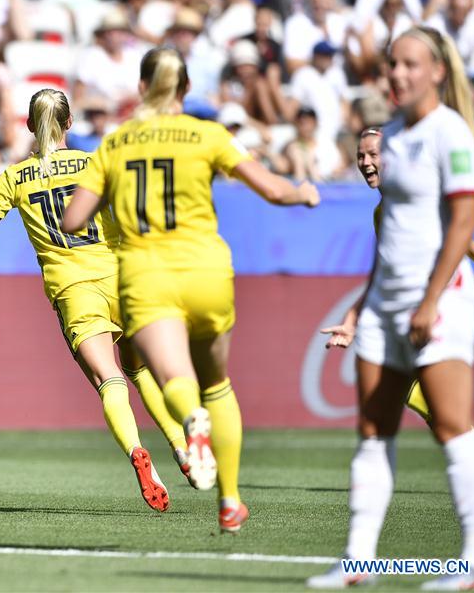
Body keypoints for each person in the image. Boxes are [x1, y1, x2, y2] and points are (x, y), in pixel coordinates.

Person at [0, 89, 198, 513]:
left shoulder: (16, 177)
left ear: (28, 126)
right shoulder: (96, 163)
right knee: (140, 366)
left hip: (73, 290)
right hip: (121, 278)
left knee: (108, 379)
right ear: (70, 123)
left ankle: (136, 452)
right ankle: (182, 447)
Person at [61, 48, 320, 532]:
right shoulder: (209, 134)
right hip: (207, 270)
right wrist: (303, 192)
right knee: (217, 382)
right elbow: (274, 190)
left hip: (146, 275)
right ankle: (230, 500)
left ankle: (190, 423)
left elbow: (74, 219)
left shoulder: (115, 143)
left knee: (173, 378)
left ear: (141, 88)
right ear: (184, 90)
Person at [307, 27, 474, 590]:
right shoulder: (392, 137)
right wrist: (359, 313)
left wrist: (431, 299)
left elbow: (464, 223)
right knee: (372, 429)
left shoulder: (451, 134)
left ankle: (470, 565)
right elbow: (388, 255)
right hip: (389, 305)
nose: (399, 74)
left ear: (436, 71)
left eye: (411, 64)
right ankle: (358, 563)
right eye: (393, 65)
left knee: (454, 429)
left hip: (441, 301)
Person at [321, 127, 474, 495]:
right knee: (403, 384)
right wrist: (353, 321)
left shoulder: (416, 197)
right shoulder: (383, 210)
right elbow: (383, 272)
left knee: (403, 382)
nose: (366, 163)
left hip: (440, 303)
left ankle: (470, 443)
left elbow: (461, 237)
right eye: (361, 156)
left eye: (373, 154)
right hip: (412, 303)